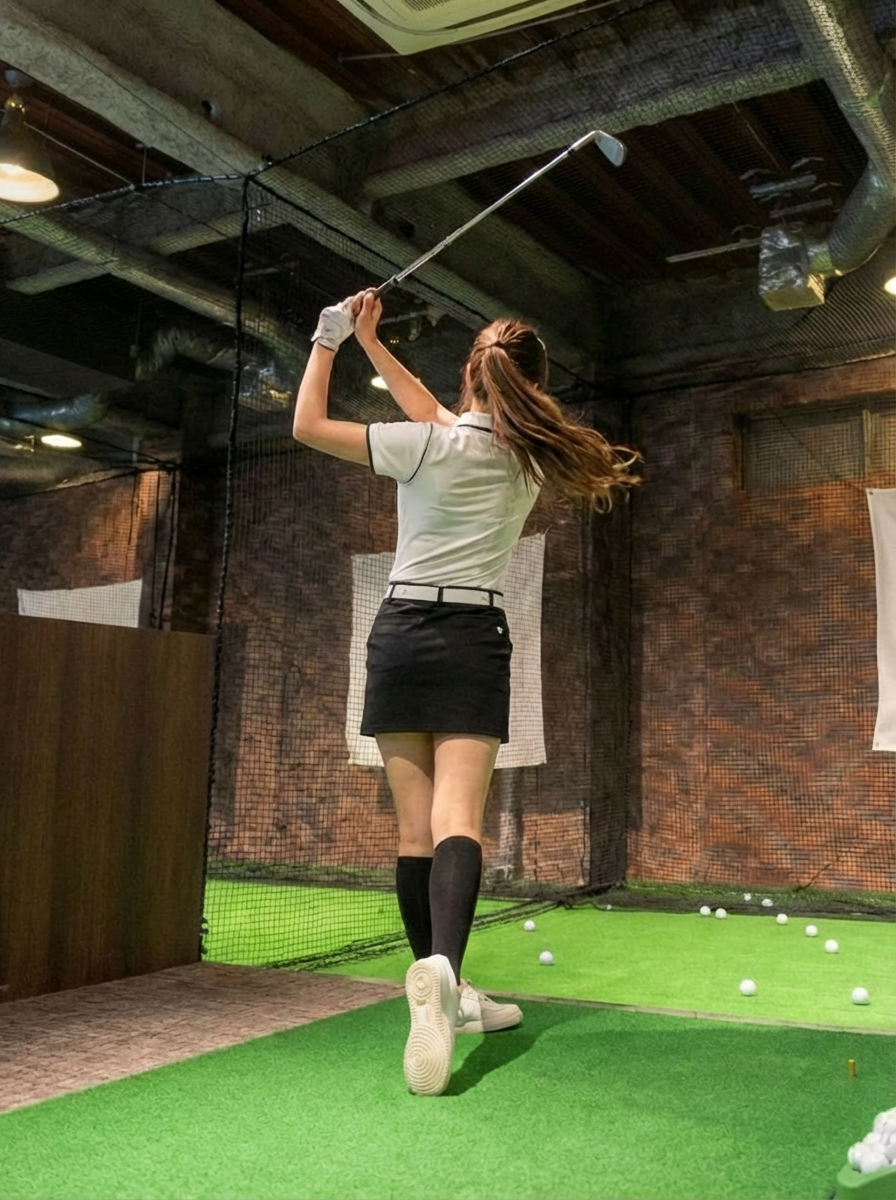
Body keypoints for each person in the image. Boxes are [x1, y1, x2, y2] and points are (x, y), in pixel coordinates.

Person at [293, 290, 640, 1096]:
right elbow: (442, 415)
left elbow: (307, 425)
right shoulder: (530, 460)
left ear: (471, 375)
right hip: (473, 640)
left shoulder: (423, 446)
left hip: (398, 636)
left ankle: (441, 983)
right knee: (459, 823)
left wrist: (329, 339)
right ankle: (447, 979)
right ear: (532, 385)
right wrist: (371, 344)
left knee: (416, 830)